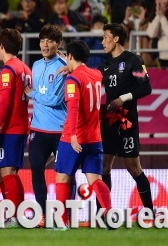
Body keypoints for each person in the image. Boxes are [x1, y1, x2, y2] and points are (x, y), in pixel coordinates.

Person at [54, 40, 113, 230]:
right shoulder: (96, 74)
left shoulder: (73, 80)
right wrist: (70, 68)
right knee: (96, 180)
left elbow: (73, 109)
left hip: (75, 137)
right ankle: (109, 212)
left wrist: (71, 134)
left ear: (70, 56)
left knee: (62, 178)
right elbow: (83, 75)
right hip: (94, 138)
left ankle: (61, 221)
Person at [98, 23, 153, 225]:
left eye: (105, 37)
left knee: (133, 167)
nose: (102, 41)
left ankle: (150, 213)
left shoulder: (133, 60)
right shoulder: (104, 65)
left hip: (127, 121)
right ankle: (102, 215)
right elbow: (90, 78)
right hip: (108, 122)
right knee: (103, 167)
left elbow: (147, 87)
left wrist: (123, 98)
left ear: (116, 39)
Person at [23, 25, 69, 228]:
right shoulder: (35, 65)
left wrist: (31, 93)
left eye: (50, 41)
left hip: (60, 130)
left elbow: (55, 99)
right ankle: (42, 214)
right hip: (38, 130)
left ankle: (66, 215)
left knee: (65, 174)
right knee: (36, 170)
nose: (45, 44)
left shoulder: (63, 66)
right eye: (42, 40)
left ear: (58, 44)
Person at [0, 28, 32, 228]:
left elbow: (5, 103)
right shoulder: (24, 67)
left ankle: (15, 216)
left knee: (6, 171)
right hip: (22, 125)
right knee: (9, 171)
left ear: (1, 46)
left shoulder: (8, 70)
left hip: (11, 127)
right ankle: (20, 213)